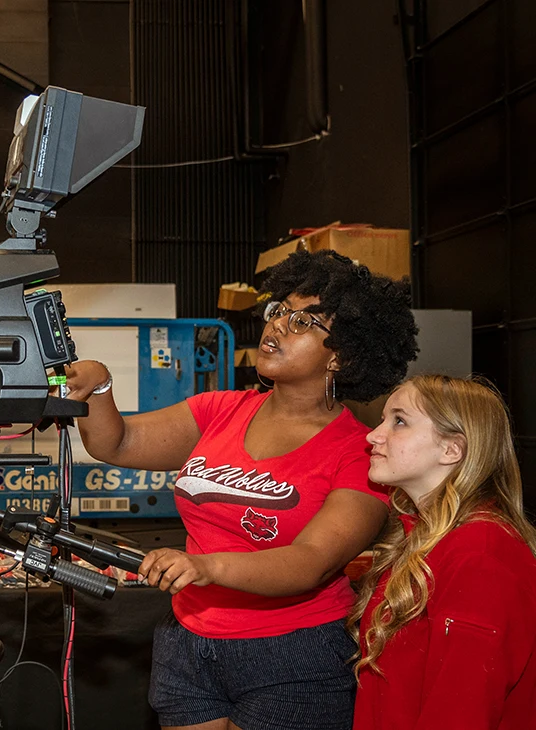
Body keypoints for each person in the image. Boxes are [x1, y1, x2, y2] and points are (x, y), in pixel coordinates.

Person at [62, 249, 419, 730]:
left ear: (344, 355)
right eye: (280, 311)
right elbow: (119, 442)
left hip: (292, 654)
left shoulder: (359, 452)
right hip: (189, 639)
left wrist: (206, 566)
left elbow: (310, 561)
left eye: (303, 322)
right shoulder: (221, 410)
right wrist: (101, 388)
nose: (277, 327)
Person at [350, 375, 536, 729]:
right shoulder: (427, 536)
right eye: (382, 420)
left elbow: (461, 712)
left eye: (399, 421)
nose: (373, 435)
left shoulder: (480, 556)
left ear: (452, 449)